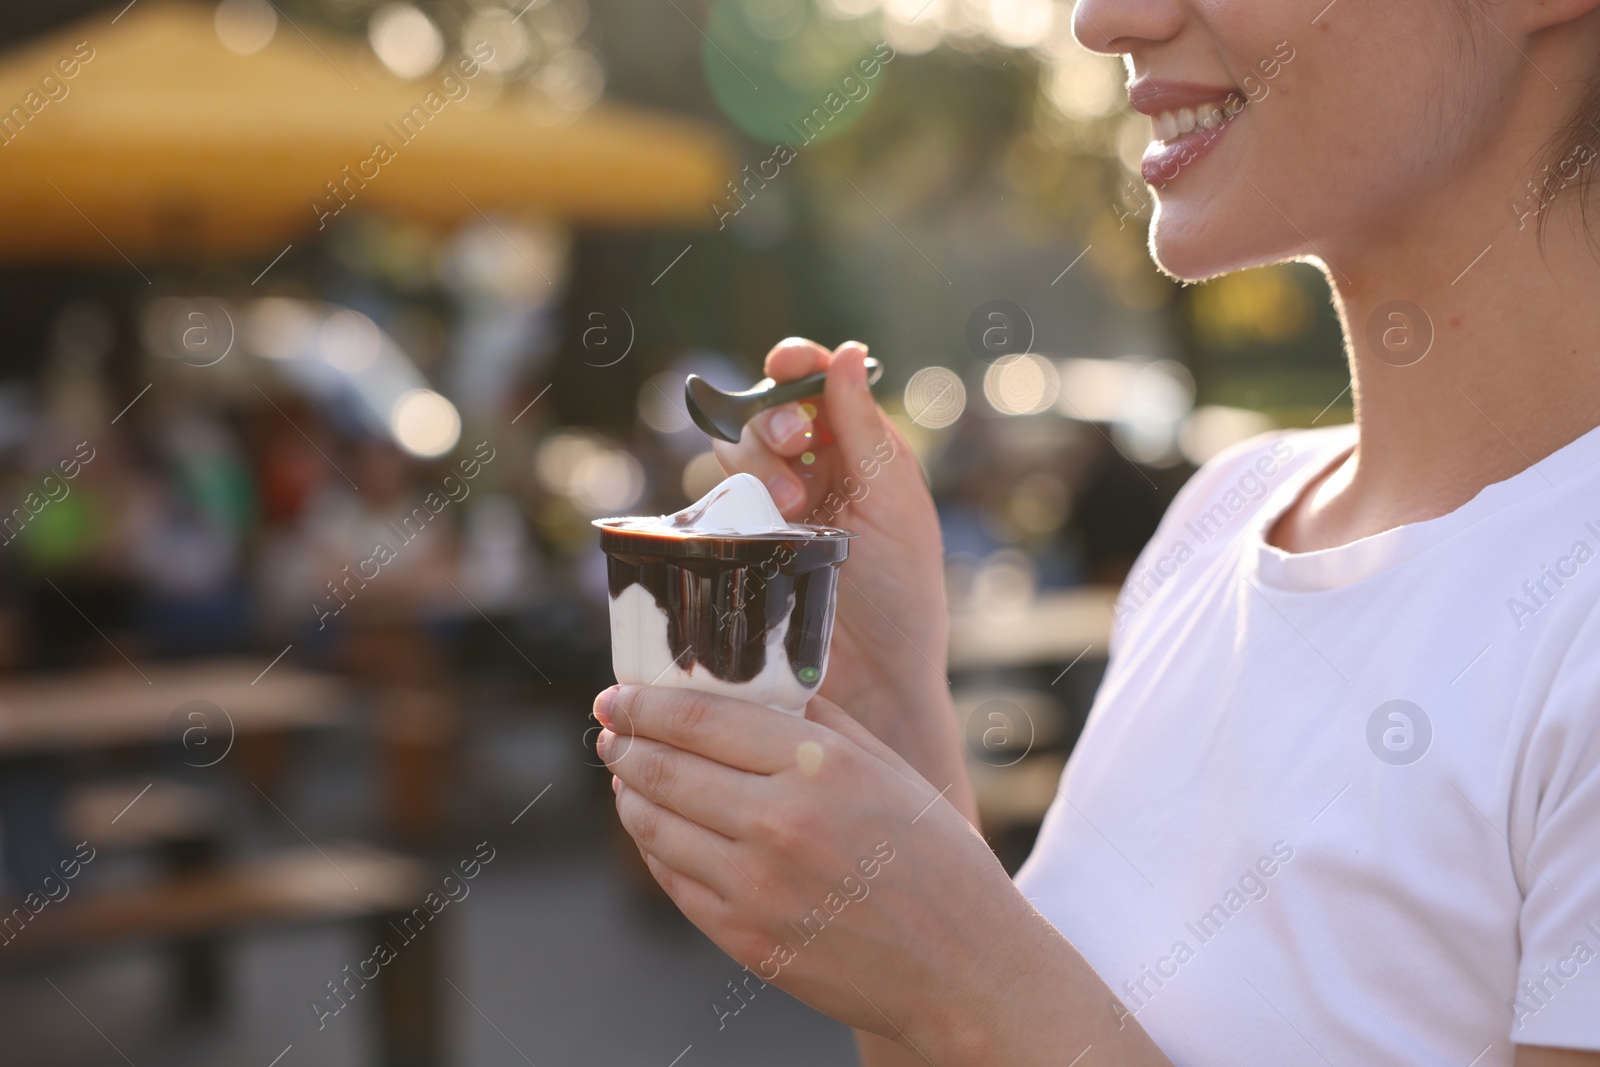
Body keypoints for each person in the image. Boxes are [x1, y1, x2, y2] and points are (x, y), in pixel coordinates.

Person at [593, 0, 1600, 1062]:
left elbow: (1003, 1018)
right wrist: (891, 714)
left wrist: (972, 983)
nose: (1102, 19)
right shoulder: (1221, 516)